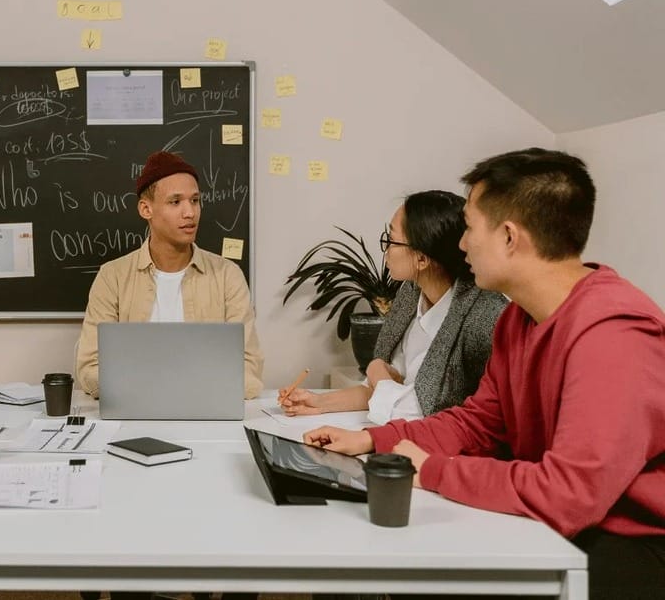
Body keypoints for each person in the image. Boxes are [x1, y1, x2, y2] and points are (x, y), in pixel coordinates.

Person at [305, 148, 665, 599]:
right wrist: (374, 442)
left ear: (510, 237)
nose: (460, 245)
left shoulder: (613, 333)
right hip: (571, 523)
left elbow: (568, 494)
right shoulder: (520, 320)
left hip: (632, 545)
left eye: (470, 229)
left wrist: (434, 470)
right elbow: (478, 422)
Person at [281, 190, 507, 424]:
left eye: (392, 240)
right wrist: (319, 403)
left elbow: (426, 412)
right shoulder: (411, 292)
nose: (386, 249)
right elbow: (382, 392)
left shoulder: (484, 314)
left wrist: (378, 373)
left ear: (422, 259)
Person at [76, 150, 264, 400]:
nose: (190, 213)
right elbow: (90, 367)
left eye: (195, 200)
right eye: (176, 202)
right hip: (133, 409)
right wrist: (148, 392)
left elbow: (249, 369)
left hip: (207, 412)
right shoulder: (113, 277)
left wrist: (182, 392)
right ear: (146, 209)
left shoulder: (227, 275)